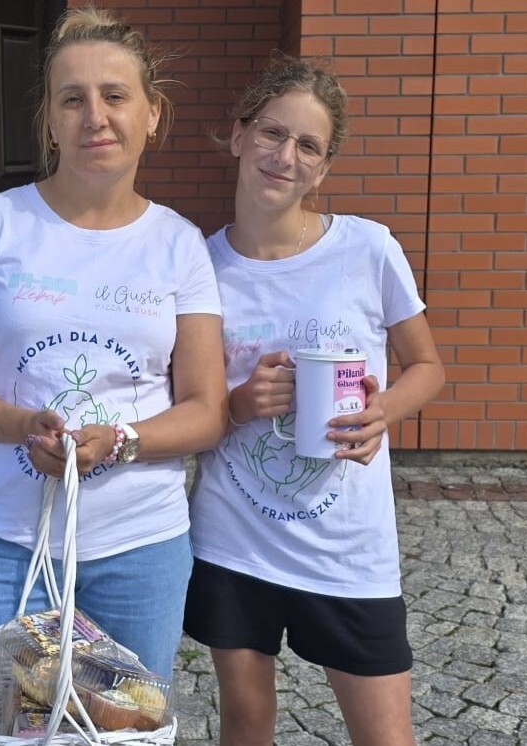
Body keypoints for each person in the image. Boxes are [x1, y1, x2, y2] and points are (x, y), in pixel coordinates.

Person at [0, 6, 227, 743]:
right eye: (73, 99)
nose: (96, 117)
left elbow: (207, 408)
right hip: (5, 538)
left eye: (115, 96)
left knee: (121, 735)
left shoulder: (178, 245)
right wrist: (19, 424)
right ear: (49, 121)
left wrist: (119, 439)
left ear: (152, 113)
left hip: (138, 546)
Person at [183, 53, 446, 746]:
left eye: (308, 145)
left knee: (385, 736)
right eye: (272, 133)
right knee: (246, 722)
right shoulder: (197, 268)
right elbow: (189, 404)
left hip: (348, 547)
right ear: (238, 135)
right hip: (234, 539)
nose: (285, 157)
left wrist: (384, 412)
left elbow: (426, 367)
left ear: (324, 168)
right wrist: (241, 403)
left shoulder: (367, 248)